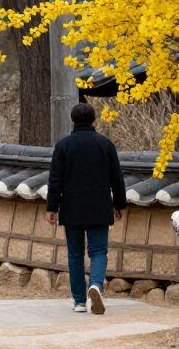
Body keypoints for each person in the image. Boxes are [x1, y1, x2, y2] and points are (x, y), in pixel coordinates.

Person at [45, 101, 128, 314]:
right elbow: (116, 178)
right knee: (98, 251)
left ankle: (80, 301)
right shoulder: (105, 144)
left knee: (75, 255)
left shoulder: (63, 146)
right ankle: (96, 285)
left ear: (72, 121)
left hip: (71, 207)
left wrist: (52, 207)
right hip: (99, 206)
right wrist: (119, 203)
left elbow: (55, 179)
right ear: (94, 120)